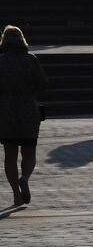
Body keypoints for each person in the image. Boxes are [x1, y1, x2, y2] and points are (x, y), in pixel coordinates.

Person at [0, 26, 47, 207]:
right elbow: (42, 84)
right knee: (29, 153)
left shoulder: (1, 61)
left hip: (5, 111)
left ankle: (15, 195)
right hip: (28, 109)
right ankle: (25, 177)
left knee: (10, 155)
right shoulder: (31, 60)